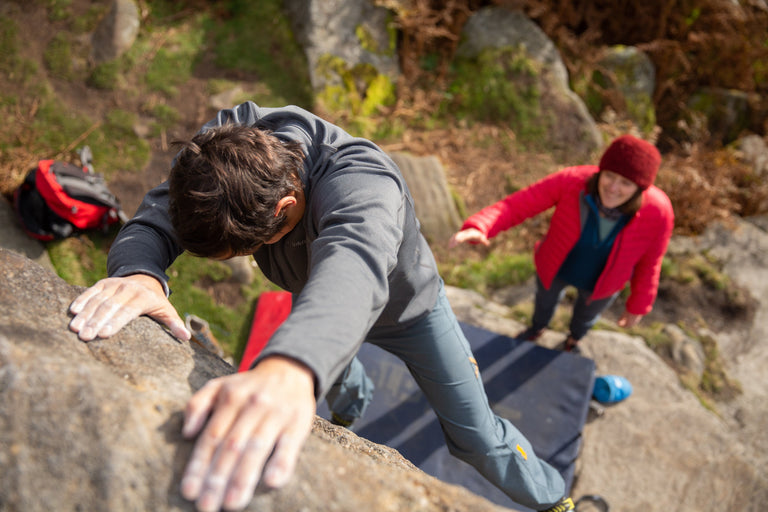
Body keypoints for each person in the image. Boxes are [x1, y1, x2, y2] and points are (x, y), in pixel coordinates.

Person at [67, 101, 575, 512]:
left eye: (244, 250)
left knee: (478, 439)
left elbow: (353, 266)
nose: (246, 257)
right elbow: (160, 213)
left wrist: (293, 366)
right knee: (341, 380)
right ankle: (348, 411)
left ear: (286, 206)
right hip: (317, 301)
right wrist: (140, 271)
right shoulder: (221, 148)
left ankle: (553, 499)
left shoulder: (366, 183)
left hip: (408, 314)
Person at [449, 135, 674, 353]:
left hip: (602, 284)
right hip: (555, 267)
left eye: (625, 183)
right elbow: (518, 204)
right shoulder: (573, 182)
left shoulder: (659, 212)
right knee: (543, 304)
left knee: (585, 318)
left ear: (640, 188)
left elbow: (651, 262)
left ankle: (573, 339)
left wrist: (638, 305)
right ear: (600, 171)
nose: (614, 187)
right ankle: (537, 329)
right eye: (609, 176)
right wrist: (481, 226)